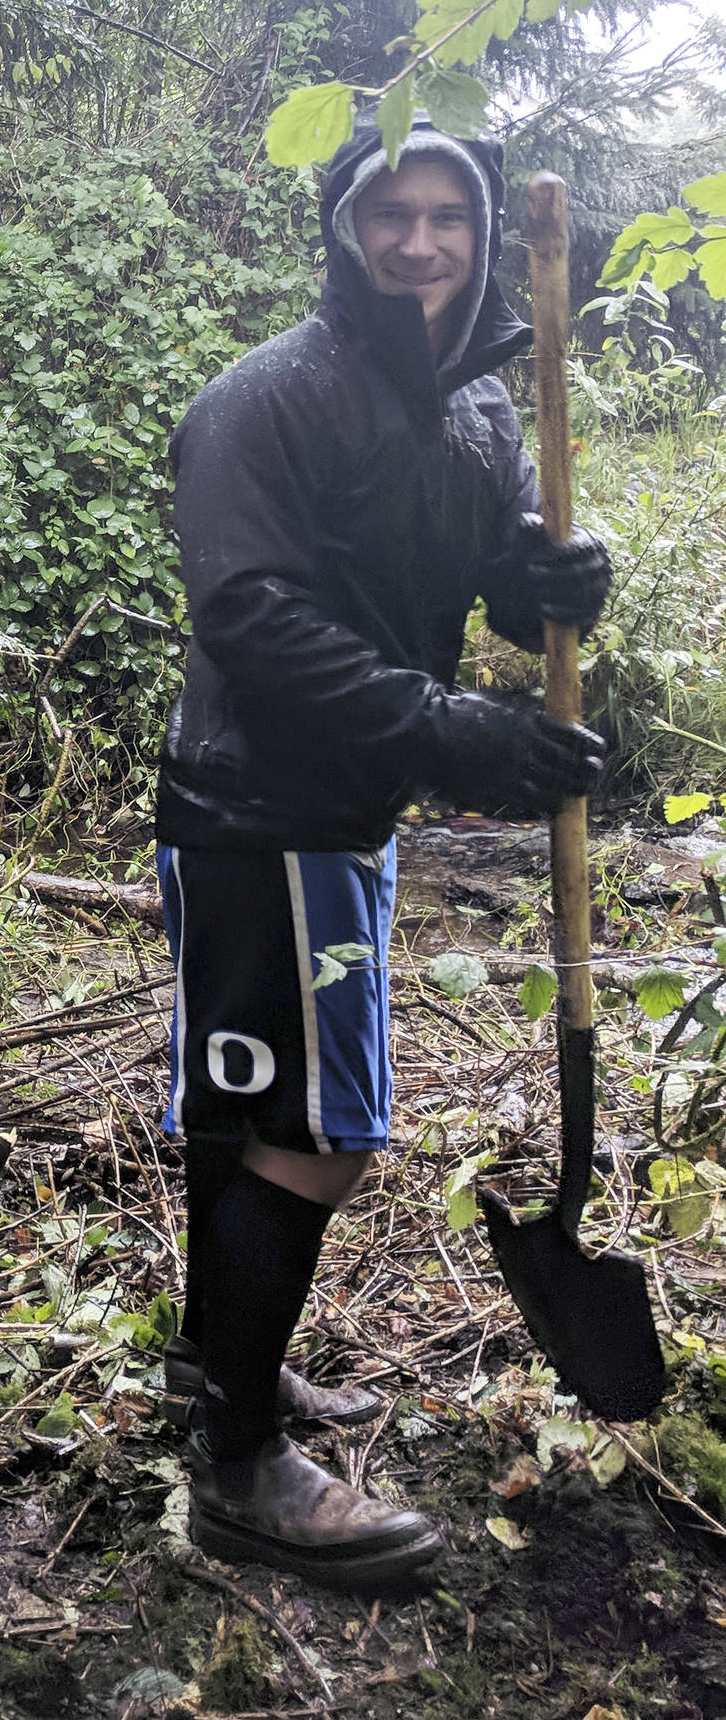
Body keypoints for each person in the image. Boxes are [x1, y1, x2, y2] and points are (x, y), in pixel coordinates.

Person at [155, 109, 611, 1592]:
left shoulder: (475, 403)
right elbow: (256, 618)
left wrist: (541, 573)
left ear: (485, 237)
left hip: (339, 808)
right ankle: (238, 1473)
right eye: (390, 214)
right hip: (262, 809)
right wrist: (449, 729)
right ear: (345, 230)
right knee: (318, 1133)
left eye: (450, 217)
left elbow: (461, 559)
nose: (420, 240)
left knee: (245, 1107)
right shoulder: (266, 398)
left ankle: (216, 1370)